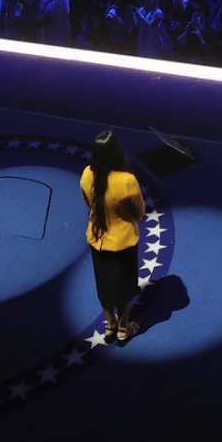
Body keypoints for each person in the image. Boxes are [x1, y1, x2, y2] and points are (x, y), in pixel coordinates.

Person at [81, 130, 147, 343]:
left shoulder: (86, 175)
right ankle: (123, 328)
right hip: (123, 242)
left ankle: (109, 326)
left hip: (97, 239)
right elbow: (139, 213)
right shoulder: (127, 180)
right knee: (126, 288)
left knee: (104, 287)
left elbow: (88, 205)